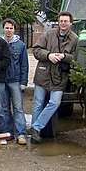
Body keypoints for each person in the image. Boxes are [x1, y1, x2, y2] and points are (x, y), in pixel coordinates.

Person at [30, 11, 78, 143]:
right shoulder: (48, 34)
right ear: (58, 22)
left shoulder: (74, 39)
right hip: (43, 73)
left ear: (70, 23)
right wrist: (49, 55)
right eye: (61, 21)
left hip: (60, 76)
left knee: (55, 102)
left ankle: (36, 127)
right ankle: (35, 135)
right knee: (38, 103)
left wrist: (64, 57)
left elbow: (76, 58)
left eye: (66, 21)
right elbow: (36, 50)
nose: (63, 23)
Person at [2, 18, 29, 145]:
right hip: (2, 81)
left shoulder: (21, 45)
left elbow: (24, 65)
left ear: (14, 29)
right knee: (4, 108)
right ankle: (8, 133)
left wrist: (23, 82)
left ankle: (21, 133)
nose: (8, 30)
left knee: (18, 108)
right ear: (3, 29)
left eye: (11, 28)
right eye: (6, 28)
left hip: (15, 81)